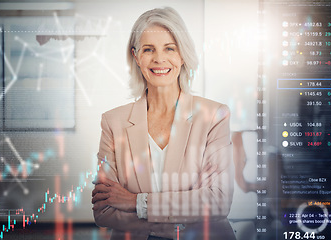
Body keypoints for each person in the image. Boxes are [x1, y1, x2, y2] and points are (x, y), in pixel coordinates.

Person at [91, 7, 235, 240]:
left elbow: (218, 201)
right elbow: (104, 211)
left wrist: (135, 202)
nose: (159, 59)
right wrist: (171, 223)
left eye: (170, 48)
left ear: (182, 55)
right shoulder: (113, 122)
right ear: (136, 56)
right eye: (149, 49)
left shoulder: (214, 116)